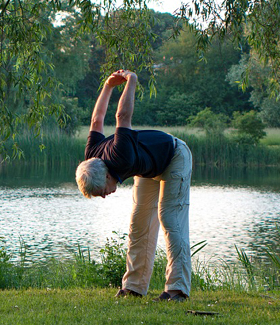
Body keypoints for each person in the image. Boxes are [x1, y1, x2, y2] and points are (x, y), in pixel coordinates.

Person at [75, 69, 193, 302]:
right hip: (148, 167)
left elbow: (122, 117)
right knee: (139, 224)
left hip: (175, 156)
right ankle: (134, 286)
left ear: (107, 176)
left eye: (101, 193)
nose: (105, 196)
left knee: (170, 218)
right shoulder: (92, 156)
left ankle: (177, 289)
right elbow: (96, 120)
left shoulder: (121, 156)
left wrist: (131, 81)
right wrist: (108, 86)